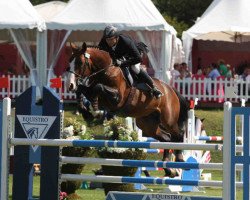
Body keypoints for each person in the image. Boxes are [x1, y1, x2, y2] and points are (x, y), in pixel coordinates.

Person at [98, 25, 163, 99]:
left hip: (133, 56)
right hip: (118, 57)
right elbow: (100, 53)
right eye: (107, 39)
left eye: (110, 39)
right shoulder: (104, 41)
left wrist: (122, 63)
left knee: (135, 68)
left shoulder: (126, 41)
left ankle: (154, 88)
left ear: (116, 37)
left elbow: (138, 58)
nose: (108, 42)